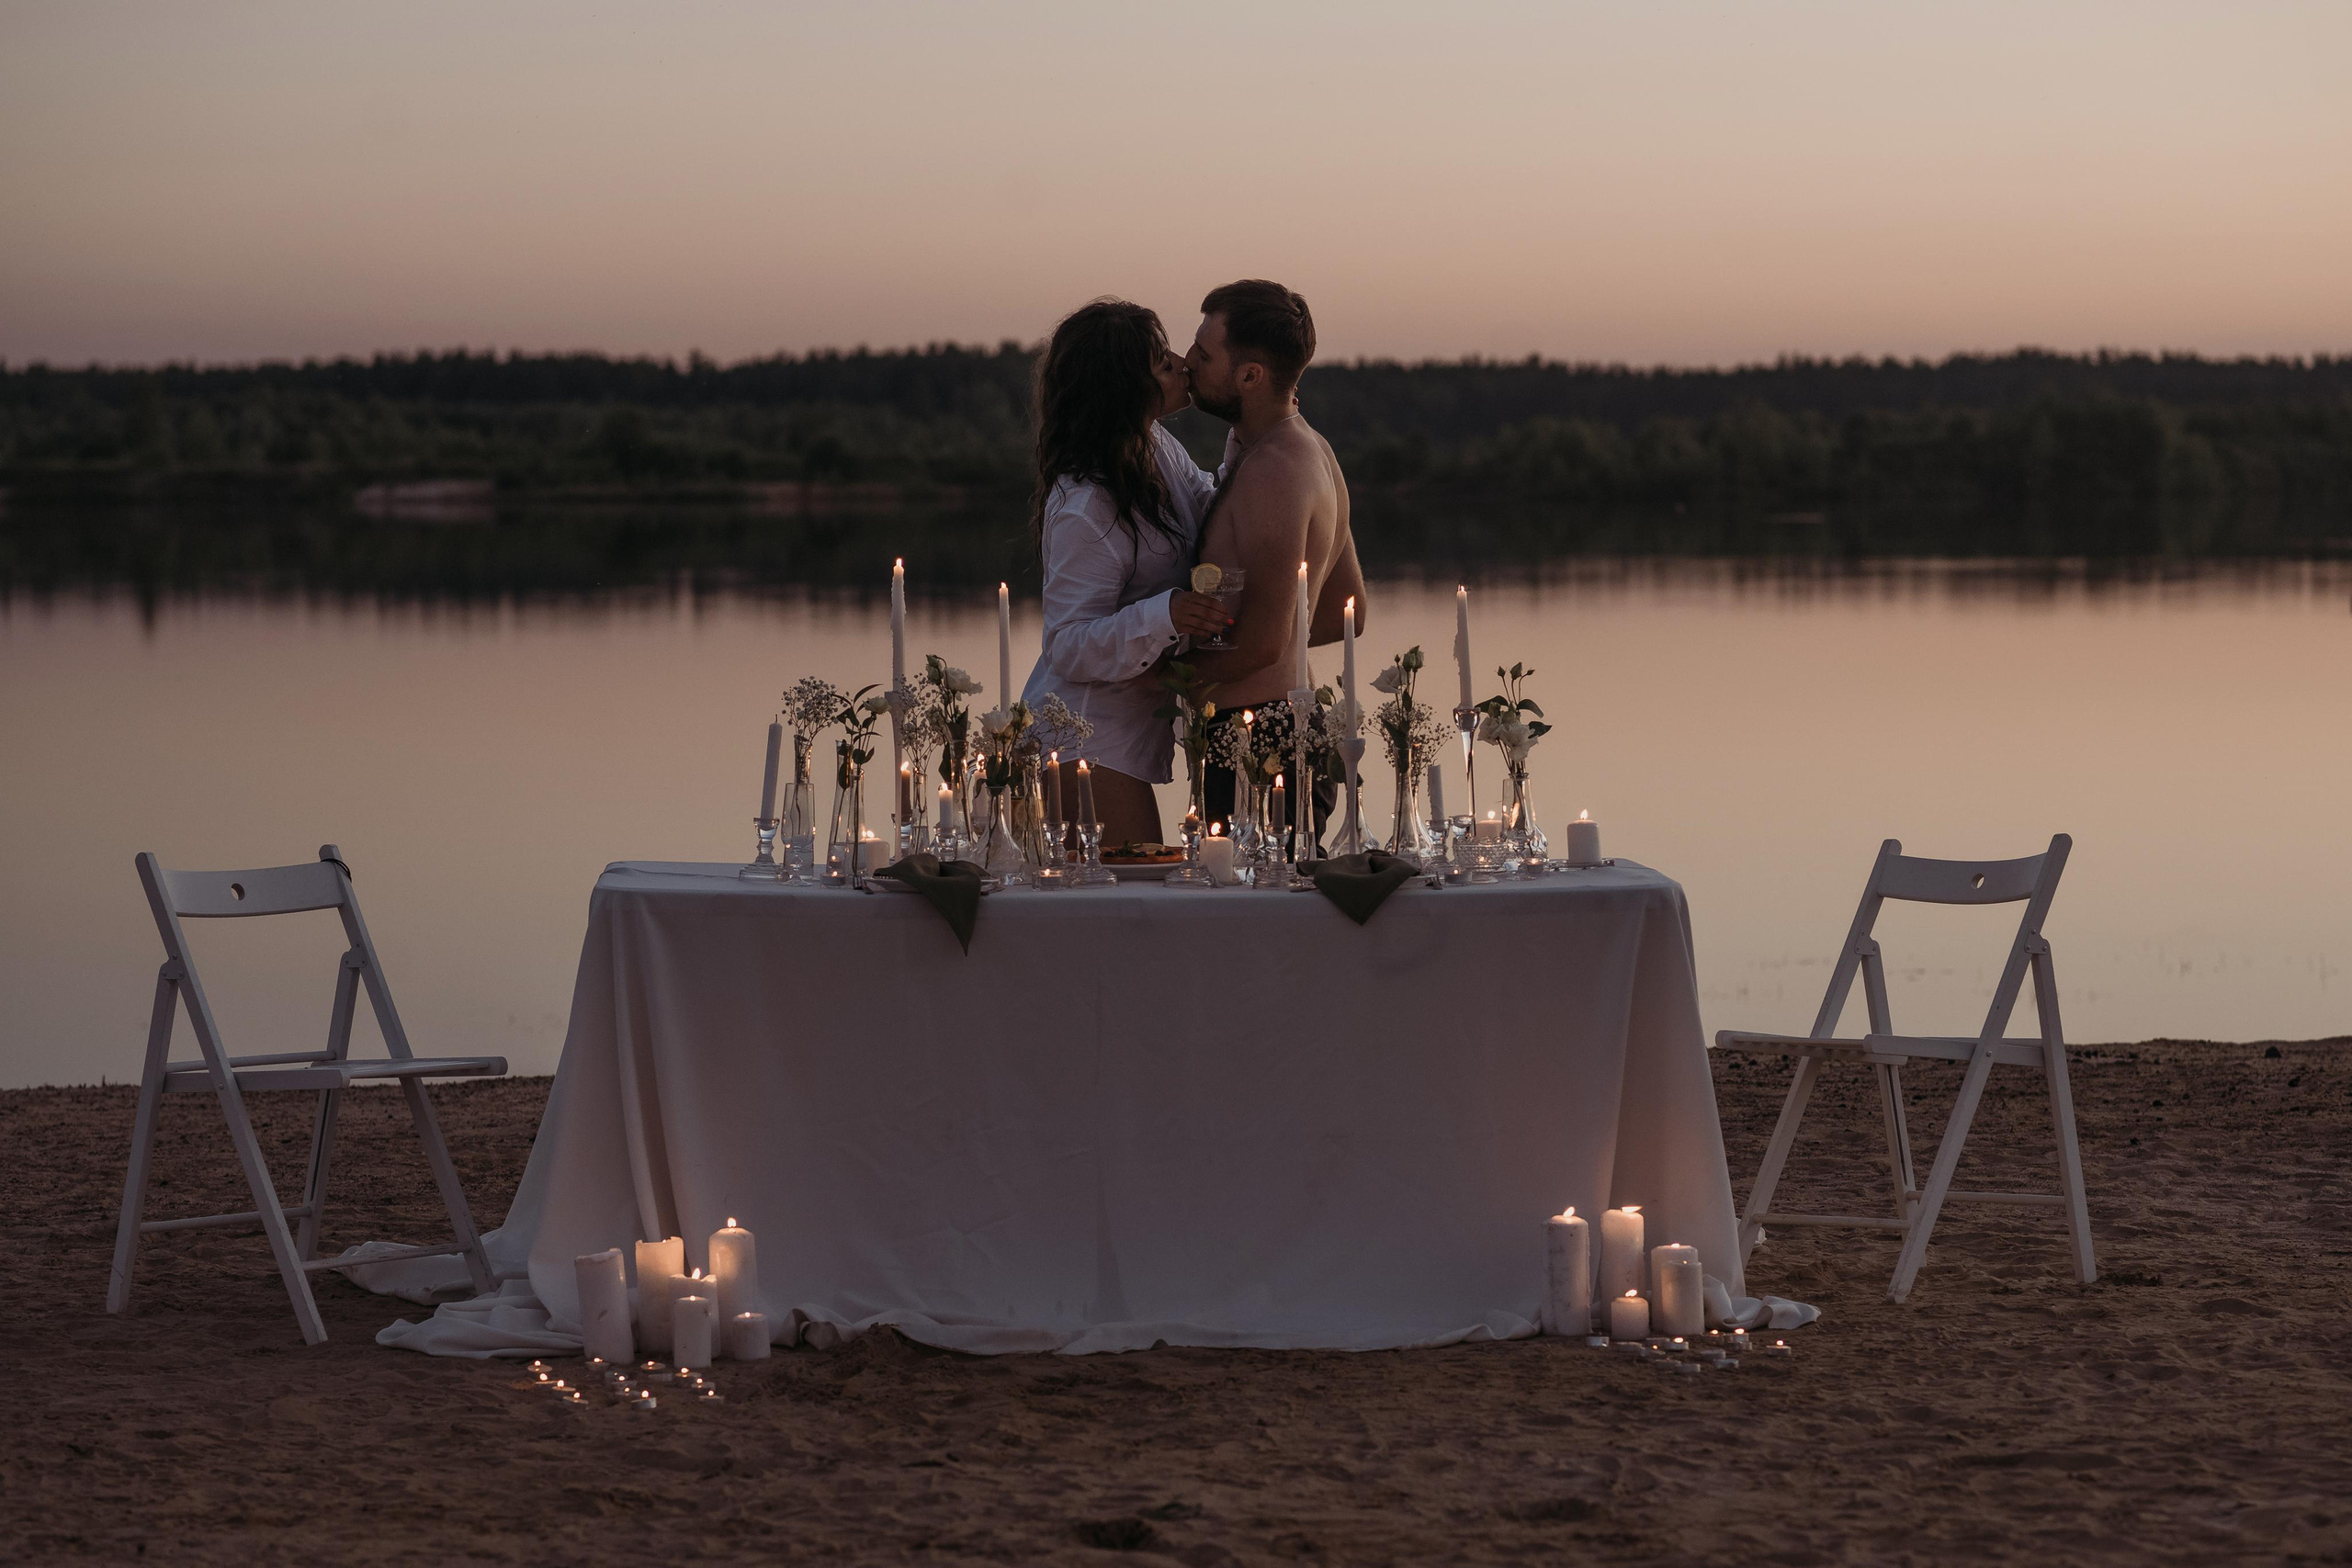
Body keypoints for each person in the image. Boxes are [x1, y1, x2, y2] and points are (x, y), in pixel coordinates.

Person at [1018, 299, 1230, 846]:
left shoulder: (1155, 448)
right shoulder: (1086, 506)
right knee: (1132, 912)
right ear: (1123, 389)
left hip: (1119, 735)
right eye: (1162, 363)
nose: (1183, 363)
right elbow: (1066, 643)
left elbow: (1214, 507)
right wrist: (1168, 613)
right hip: (1082, 738)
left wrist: (1255, 434)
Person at [1178, 279, 1365, 846]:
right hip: (1286, 728)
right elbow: (1344, 613)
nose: (1187, 362)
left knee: (1250, 925)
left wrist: (1165, 680)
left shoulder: (1275, 472)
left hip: (1261, 747)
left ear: (1251, 376)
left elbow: (1264, 641)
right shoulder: (1310, 449)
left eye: (1204, 354)